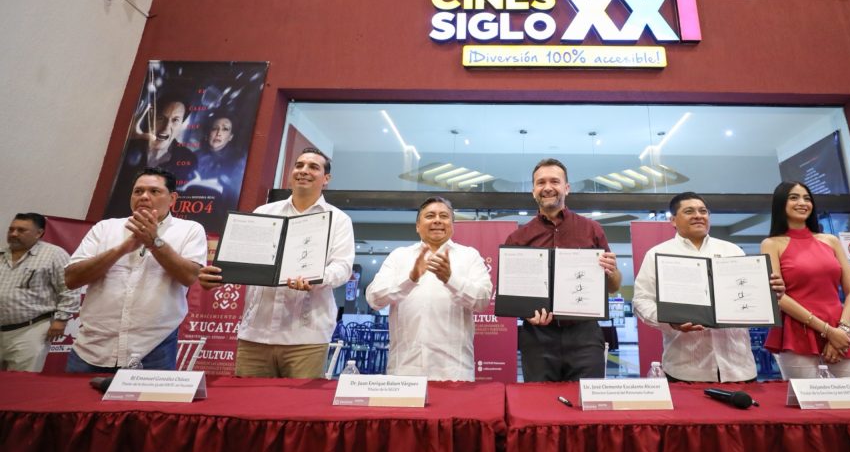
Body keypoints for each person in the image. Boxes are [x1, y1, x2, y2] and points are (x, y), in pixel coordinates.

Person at [199, 147, 354, 378]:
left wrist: (315, 278)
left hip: (306, 339)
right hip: (255, 335)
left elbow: (342, 268)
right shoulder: (263, 212)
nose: (304, 171)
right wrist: (221, 276)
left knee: (299, 402)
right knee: (245, 400)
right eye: (299, 165)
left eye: (313, 167)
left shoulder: (338, 219)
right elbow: (244, 260)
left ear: (326, 179)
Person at [65, 168, 207, 372]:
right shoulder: (105, 228)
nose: (144, 197)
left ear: (172, 198)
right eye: (138, 191)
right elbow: (71, 279)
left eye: (154, 191)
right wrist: (122, 249)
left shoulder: (189, 230)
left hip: (154, 348)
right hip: (92, 348)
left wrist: (154, 242)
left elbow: (189, 277)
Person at [633, 193, 785, 382]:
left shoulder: (732, 251)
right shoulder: (658, 254)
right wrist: (669, 321)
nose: (698, 215)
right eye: (689, 211)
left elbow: (748, 295)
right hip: (685, 368)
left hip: (739, 367)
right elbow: (641, 301)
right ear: (673, 220)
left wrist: (770, 295)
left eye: (703, 211)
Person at [505, 158, 621, 382]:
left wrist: (612, 270)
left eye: (554, 181)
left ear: (566, 188)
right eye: (541, 182)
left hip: (584, 336)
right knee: (540, 402)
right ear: (533, 190)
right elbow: (512, 294)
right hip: (537, 337)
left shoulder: (592, 230)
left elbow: (613, 286)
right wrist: (525, 312)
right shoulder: (518, 238)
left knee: (587, 400)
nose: (547, 187)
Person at [366, 196, 492, 381]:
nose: (437, 220)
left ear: (452, 225)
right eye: (430, 216)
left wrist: (450, 279)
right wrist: (410, 279)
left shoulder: (469, 256)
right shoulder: (399, 256)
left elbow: (483, 301)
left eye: (444, 216)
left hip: (454, 372)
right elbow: (374, 299)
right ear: (417, 226)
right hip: (405, 371)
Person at [762, 181, 850, 378]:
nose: (802, 203)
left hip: (840, 326)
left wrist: (842, 330)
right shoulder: (771, 244)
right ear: (781, 204)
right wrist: (828, 331)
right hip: (797, 330)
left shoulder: (831, 241)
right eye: (794, 198)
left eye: (807, 198)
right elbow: (778, 296)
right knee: (807, 396)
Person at [0, 213, 79, 371]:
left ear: (39, 233)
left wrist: (61, 320)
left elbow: (69, 289)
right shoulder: (2, 254)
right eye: (11, 229)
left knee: (21, 381)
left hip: (29, 330)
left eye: (21, 230)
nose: (14, 234)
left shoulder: (54, 255)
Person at [107, 93, 199, 215]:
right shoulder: (128, 147)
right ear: (151, 118)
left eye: (175, 120)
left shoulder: (189, 160)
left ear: (182, 124)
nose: (166, 127)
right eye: (161, 118)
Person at [193, 113, 244, 201]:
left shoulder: (239, 160)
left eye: (225, 129)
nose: (218, 133)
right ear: (207, 134)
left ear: (230, 137)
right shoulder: (193, 157)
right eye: (214, 128)